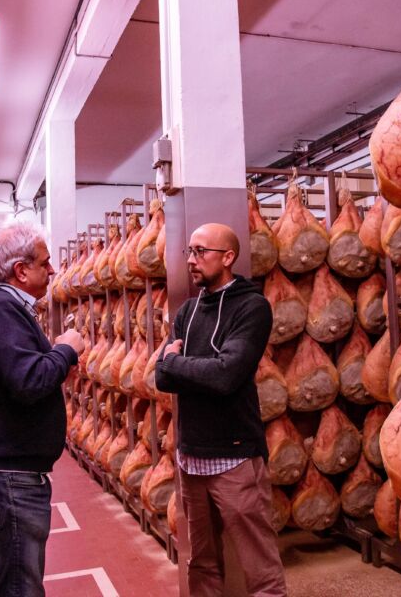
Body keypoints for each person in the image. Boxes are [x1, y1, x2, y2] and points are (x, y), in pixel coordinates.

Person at [0, 222, 84, 597]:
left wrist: (55, 366)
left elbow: (22, 375)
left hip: (1, 471)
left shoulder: (0, 306)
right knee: (18, 588)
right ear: (21, 270)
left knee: (0, 580)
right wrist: (65, 349)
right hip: (5, 475)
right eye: (45, 263)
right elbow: (27, 381)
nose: (52, 270)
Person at [155, 223, 287, 597]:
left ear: (228, 257)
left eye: (201, 252)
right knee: (200, 561)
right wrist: (188, 368)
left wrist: (177, 363)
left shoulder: (252, 307)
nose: (192, 261)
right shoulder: (187, 312)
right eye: (190, 253)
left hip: (235, 456)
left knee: (258, 565)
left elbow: (227, 375)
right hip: (191, 456)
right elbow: (161, 378)